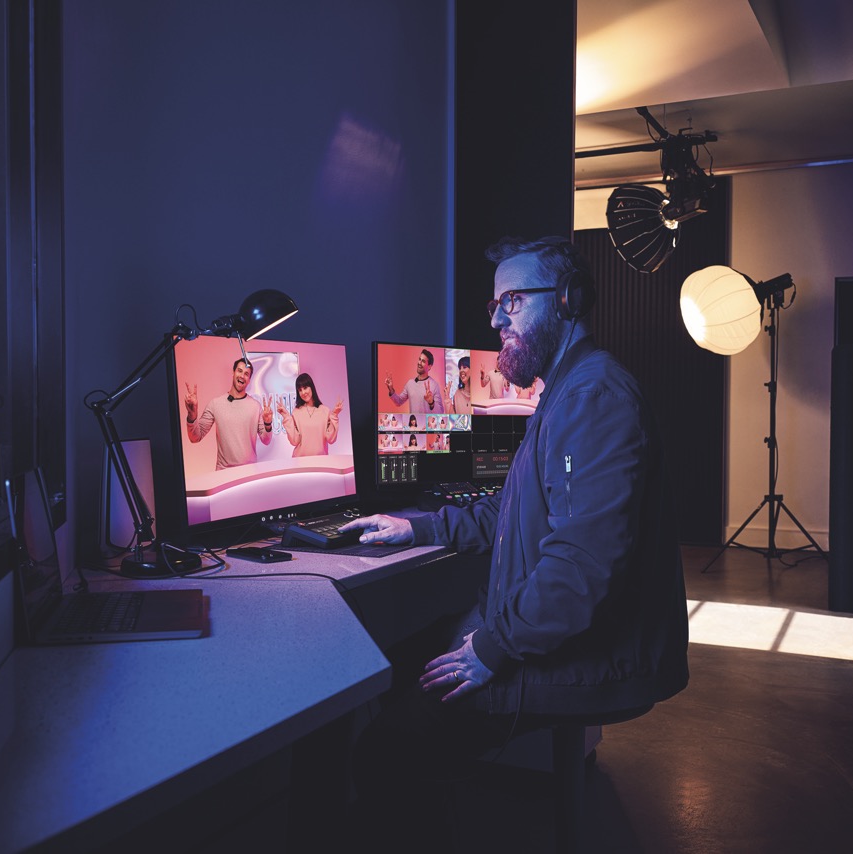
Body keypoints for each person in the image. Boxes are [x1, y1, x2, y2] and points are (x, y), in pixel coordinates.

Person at [341, 236, 688, 848]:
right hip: (544, 633)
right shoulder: (564, 392)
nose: (497, 320)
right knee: (390, 667)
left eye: (513, 301)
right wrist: (418, 527)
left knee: (385, 749)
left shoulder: (593, 398)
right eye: (494, 304)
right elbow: (514, 509)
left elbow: (581, 566)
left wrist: (492, 647)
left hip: (585, 656)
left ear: (567, 300)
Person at [184, 358, 273, 470]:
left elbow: (266, 440)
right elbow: (195, 437)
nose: (242, 376)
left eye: (246, 374)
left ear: (249, 380)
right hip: (224, 473)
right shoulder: (215, 404)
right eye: (239, 371)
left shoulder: (255, 406)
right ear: (233, 372)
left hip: (249, 472)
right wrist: (192, 415)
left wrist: (268, 423)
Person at [277, 372, 343, 457]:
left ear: (311, 387)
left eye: (305, 388)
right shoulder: (296, 412)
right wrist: (286, 416)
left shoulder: (325, 411)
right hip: (300, 461)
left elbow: (331, 439)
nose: (303, 392)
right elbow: (294, 441)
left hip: (321, 461)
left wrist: (334, 415)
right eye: (300, 390)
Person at [385, 349, 446, 415]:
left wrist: (431, 402)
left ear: (429, 366)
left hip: (426, 421)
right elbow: (398, 402)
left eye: (423, 361)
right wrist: (391, 389)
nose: (419, 363)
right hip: (413, 421)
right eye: (419, 359)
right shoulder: (410, 383)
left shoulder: (434, 385)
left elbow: (441, 411)